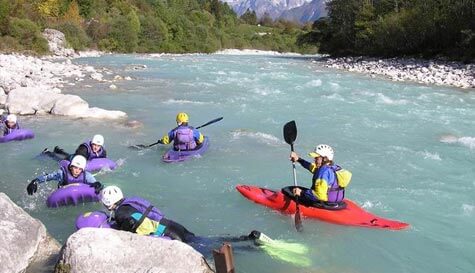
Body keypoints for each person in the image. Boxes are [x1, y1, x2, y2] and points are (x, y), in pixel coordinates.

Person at [287, 144, 346, 209]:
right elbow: (311, 167)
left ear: (325, 158)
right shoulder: (333, 168)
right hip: (337, 202)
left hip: (323, 203)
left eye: (316, 158)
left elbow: (319, 196)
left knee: (288, 191)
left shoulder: (323, 173)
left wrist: (301, 192)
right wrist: (298, 159)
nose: (314, 160)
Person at [27, 155, 103, 195]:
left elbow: (96, 184)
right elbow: (48, 177)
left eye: (80, 169)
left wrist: (99, 185)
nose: (77, 171)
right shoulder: (62, 173)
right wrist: (35, 181)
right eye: (75, 167)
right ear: (71, 166)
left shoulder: (86, 176)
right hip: (63, 192)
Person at [43, 134, 107, 161]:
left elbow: (104, 161)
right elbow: (79, 160)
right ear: (92, 143)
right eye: (94, 145)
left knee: (67, 154)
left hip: (74, 155)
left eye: (98, 146)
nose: (96, 147)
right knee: (59, 159)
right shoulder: (84, 148)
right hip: (72, 159)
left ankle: (58, 150)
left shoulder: (102, 151)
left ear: (101, 146)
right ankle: (47, 152)